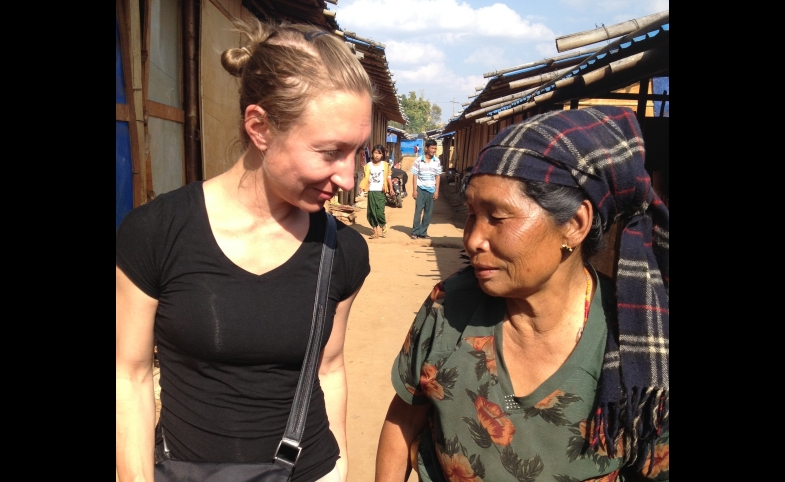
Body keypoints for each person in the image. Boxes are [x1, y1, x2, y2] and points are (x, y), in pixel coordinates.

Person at [116, 19, 375, 482]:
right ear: (259, 127)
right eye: (330, 151)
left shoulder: (343, 251)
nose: (349, 178)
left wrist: (340, 472)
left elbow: (330, 368)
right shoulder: (155, 233)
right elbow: (128, 375)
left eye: (357, 152)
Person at [376, 106, 669, 481]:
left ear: (575, 225)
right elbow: (404, 420)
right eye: (471, 214)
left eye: (497, 217)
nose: (472, 239)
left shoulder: (637, 341)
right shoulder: (451, 307)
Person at [410, 139, 442, 239]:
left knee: (428, 212)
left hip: (431, 190)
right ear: (426, 148)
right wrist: (414, 190)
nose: (434, 150)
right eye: (432, 148)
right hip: (420, 188)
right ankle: (415, 232)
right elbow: (415, 175)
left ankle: (423, 232)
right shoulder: (419, 160)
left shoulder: (437, 161)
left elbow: (438, 176)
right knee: (418, 211)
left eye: (435, 148)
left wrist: (436, 191)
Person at [364, 145, 393, 239]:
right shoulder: (368, 166)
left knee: (379, 212)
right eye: (375, 153)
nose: (377, 155)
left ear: (382, 155)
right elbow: (366, 178)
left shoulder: (385, 165)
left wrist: (391, 188)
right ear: (372, 153)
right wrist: (362, 187)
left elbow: (388, 177)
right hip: (371, 191)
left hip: (380, 191)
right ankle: (375, 233)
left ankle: (383, 224)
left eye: (379, 153)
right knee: (371, 213)